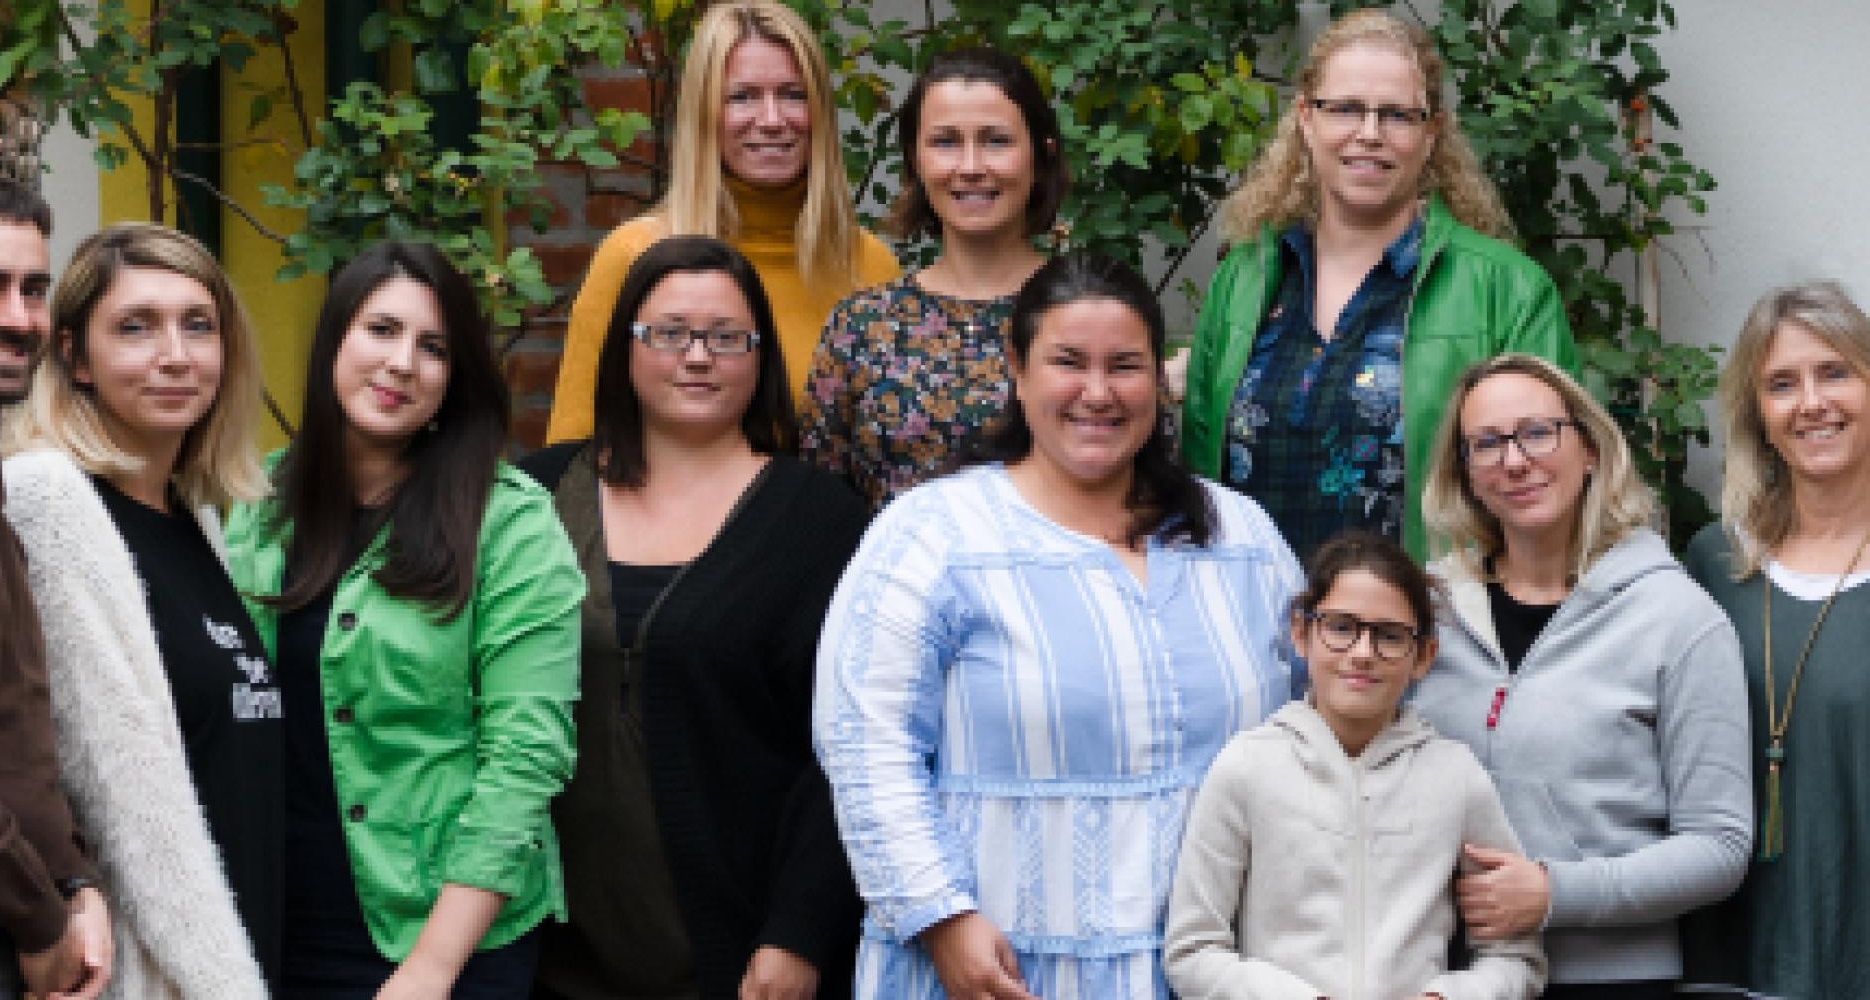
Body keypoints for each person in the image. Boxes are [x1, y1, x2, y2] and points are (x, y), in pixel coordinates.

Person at [815, 251, 1304, 1000]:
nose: (1098, 393)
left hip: (1216, 968)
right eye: (1068, 362)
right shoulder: (934, 537)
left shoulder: (1241, 539)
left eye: (1126, 366)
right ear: (1017, 368)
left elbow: (1315, 726)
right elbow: (864, 740)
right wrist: (941, 918)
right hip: (996, 966)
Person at [226, 241, 584, 998]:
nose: (401, 364)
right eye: (380, 330)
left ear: (454, 380)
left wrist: (432, 968)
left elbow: (527, 756)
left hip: (443, 937)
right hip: (272, 925)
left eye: (433, 348)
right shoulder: (257, 504)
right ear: (334, 340)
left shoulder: (510, 524)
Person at [520, 235, 867, 999]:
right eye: (669, 333)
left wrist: (799, 932)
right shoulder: (531, 498)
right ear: (625, 347)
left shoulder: (818, 521)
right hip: (535, 952)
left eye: (726, 337)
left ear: (760, 355)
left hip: (742, 957)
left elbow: (847, 750)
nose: (698, 356)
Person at [1182, 7, 1578, 562]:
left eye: (1396, 115)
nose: (1369, 134)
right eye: (1345, 108)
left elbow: (1551, 486)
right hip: (1253, 630)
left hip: (1426, 632)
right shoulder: (1242, 280)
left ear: (1431, 132)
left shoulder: (1506, 288)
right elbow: (1199, 476)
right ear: (1305, 118)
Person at [1410, 353, 1750, 998]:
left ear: (1590, 448)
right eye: (1487, 443)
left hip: (1611, 978)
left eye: (1538, 432)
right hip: (1446, 978)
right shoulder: (1430, 614)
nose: (1514, 460)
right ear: (1466, 473)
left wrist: (1554, 893)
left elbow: (1719, 845)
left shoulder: (1675, 617)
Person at [1, 223, 280, 998]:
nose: (176, 355)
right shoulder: (48, 503)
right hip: (153, 971)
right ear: (74, 358)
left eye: (199, 325)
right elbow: (119, 792)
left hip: (245, 944)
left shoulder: (195, 518)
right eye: (135, 327)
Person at [1165, 530, 1546, 1000]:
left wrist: (1447, 997)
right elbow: (1192, 950)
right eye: (1342, 627)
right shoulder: (1245, 769)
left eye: (1389, 635)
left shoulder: (1457, 777)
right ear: (1302, 633)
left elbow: (1515, 959)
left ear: (1423, 655)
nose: (1363, 653)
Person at [547, 0, 899, 442]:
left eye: (792, 95)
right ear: (704, 113)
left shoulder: (868, 265)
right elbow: (573, 452)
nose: (771, 120)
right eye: (743, 97)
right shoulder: (635, 256)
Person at [1680, 281, 1870, 998]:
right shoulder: (1712, 564)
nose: (1812, 403)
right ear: (1758, 415)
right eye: (1782, 384)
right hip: (1734, 959)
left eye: (1836, 373)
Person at [0, 162, 112, 1000]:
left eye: (33, 290)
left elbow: (11, 723)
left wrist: (73, 880)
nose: (17, 319)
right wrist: (40, 914)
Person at [800, 46, 1066, 508]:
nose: (970, 166)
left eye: (996, 140)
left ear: (1041, 155)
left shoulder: (1092, 311)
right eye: (945, 142)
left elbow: (1148, 489)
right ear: (915, 160)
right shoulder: (861, 328)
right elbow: (817, 508)